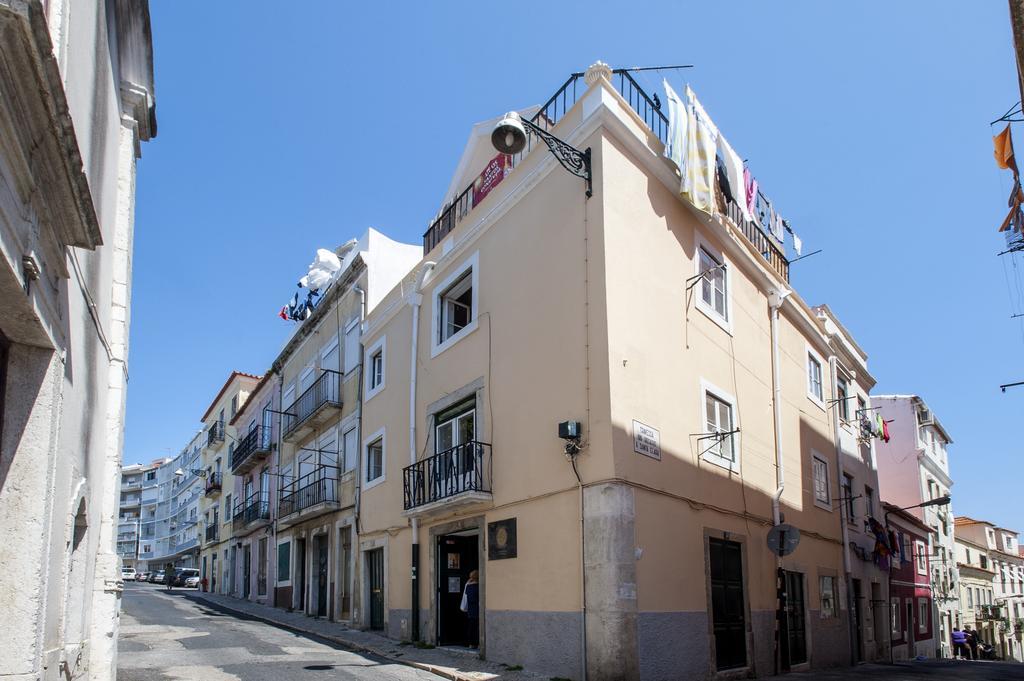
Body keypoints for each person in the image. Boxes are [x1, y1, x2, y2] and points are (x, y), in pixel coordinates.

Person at [463, 570, 480, 648]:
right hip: (477, 608)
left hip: (470, 609)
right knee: (476, 627)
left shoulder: (468, 586)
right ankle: (477, 643)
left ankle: (471, 643)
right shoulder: (478, 587)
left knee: (471, 626)